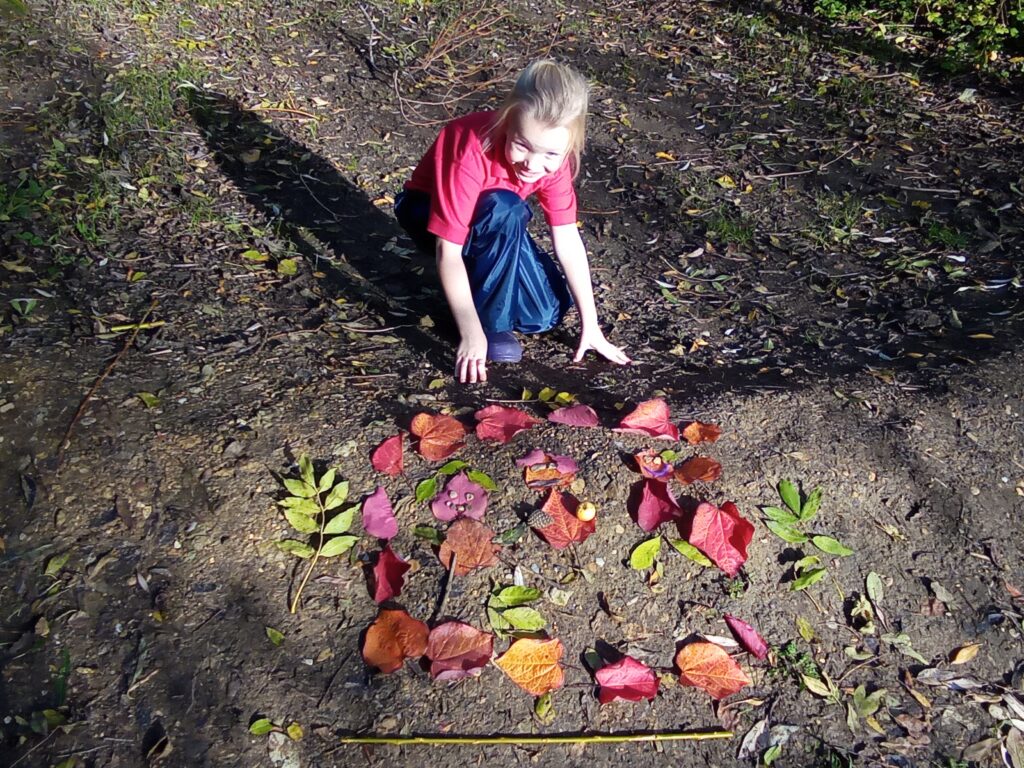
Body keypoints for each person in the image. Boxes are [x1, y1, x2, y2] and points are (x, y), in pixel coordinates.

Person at [394, 59, 631, 384]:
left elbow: (567, 239)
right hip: (427, 212)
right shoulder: (471, 147)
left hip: (495, 225)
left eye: (550, 154)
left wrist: (591, 324)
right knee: (505, 207)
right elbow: (447, 252)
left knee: (546, 312)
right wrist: (471, 329)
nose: (533, 163)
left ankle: (484, 291)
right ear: (507, 122)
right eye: (522, 145)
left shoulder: (557, 159)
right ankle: (492, 322)